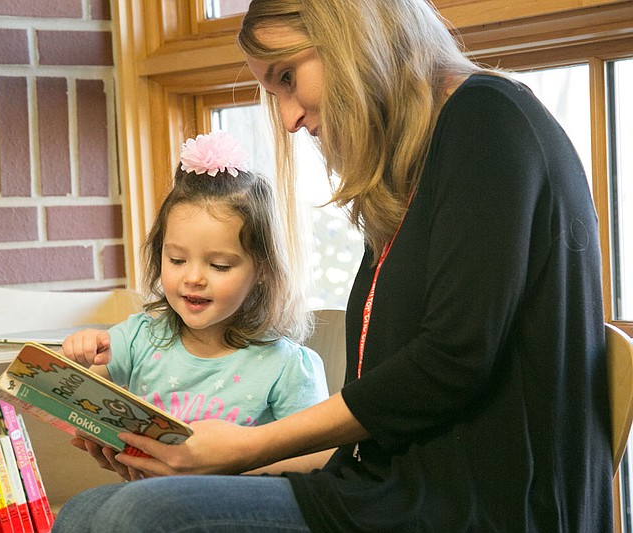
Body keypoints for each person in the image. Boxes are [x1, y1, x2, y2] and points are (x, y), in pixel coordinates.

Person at [52, 0, 613, 531]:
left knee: (138, 520)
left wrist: (247, 447)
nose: (290, 118)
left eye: (288, 78)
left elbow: (450, 361)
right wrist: (187, 459)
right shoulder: (412, 170)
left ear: (350, 37)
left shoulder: (488, 122)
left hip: (475, 506)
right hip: (387, 486)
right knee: (84, 515)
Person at [60, 129, 330, 480]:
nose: (194, 278)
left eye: (219, 266)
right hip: (153, 502)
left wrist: (240, 465)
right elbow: (79, 391)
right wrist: (80, 358)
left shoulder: (286, 366)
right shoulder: (139, 338)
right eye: (176, 260)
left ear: (262, 269)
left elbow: (319, 459)